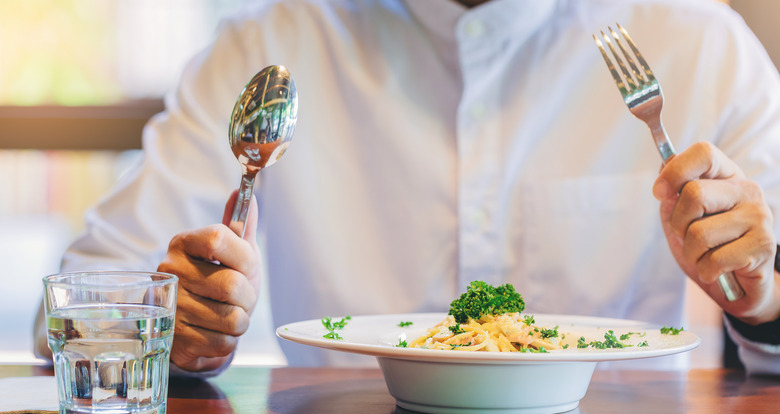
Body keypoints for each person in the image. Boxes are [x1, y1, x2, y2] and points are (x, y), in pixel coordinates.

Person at [34, 0, 780, 376]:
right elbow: (75, 308)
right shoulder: (272, 45)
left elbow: (769, 284)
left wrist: (763, 294)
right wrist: (174, 327)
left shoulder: (699, 40)